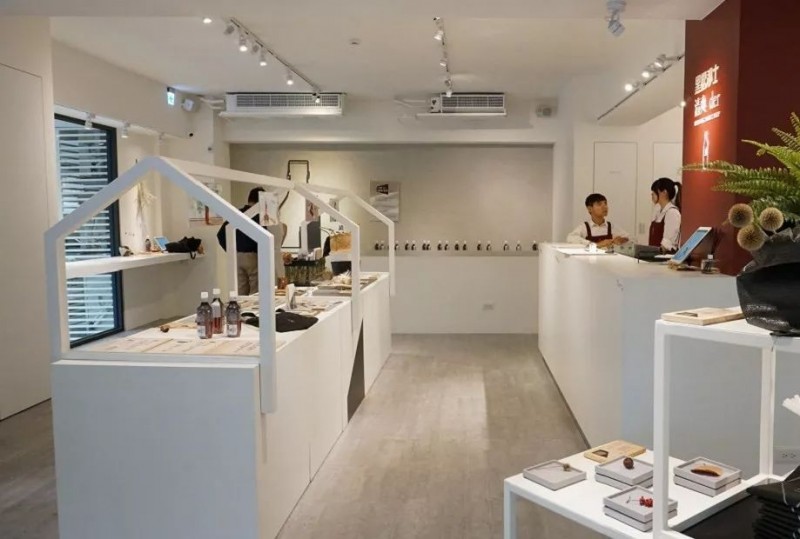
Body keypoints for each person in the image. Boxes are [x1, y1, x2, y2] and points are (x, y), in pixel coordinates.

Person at [217, 187, 286, 296]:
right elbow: (271, 240)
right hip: (255, 257)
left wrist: (231, 251)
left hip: (237, 257)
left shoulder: (237, 213)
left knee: (240, 293)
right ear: (261, 200)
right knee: (256, 293)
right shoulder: (261, 215)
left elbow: (220, 235)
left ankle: (240, 307)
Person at [649, 177, 682, 253]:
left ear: (664, 192)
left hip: (664, 257)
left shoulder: (672, 213)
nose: (652, 194)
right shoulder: (658, 211)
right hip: (654, 256)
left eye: (654, 191)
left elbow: (667, 244)